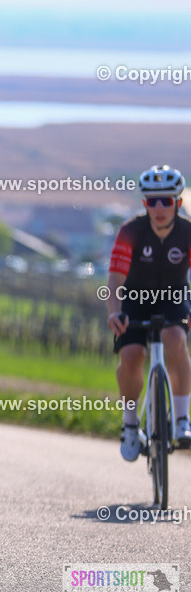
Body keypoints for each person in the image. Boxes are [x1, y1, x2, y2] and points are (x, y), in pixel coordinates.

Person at [107, 165, 191, 459]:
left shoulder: (188, 231)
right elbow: (115, 280)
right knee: (132, 356)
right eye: (150, 201)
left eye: (165, 201)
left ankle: (182, 419)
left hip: (173, 298)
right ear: (144, 204)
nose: (158, 207)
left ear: (177, 203)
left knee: (175, 338)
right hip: (134, 299)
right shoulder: (130, 231)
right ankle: (130, 425)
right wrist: (115, 313)